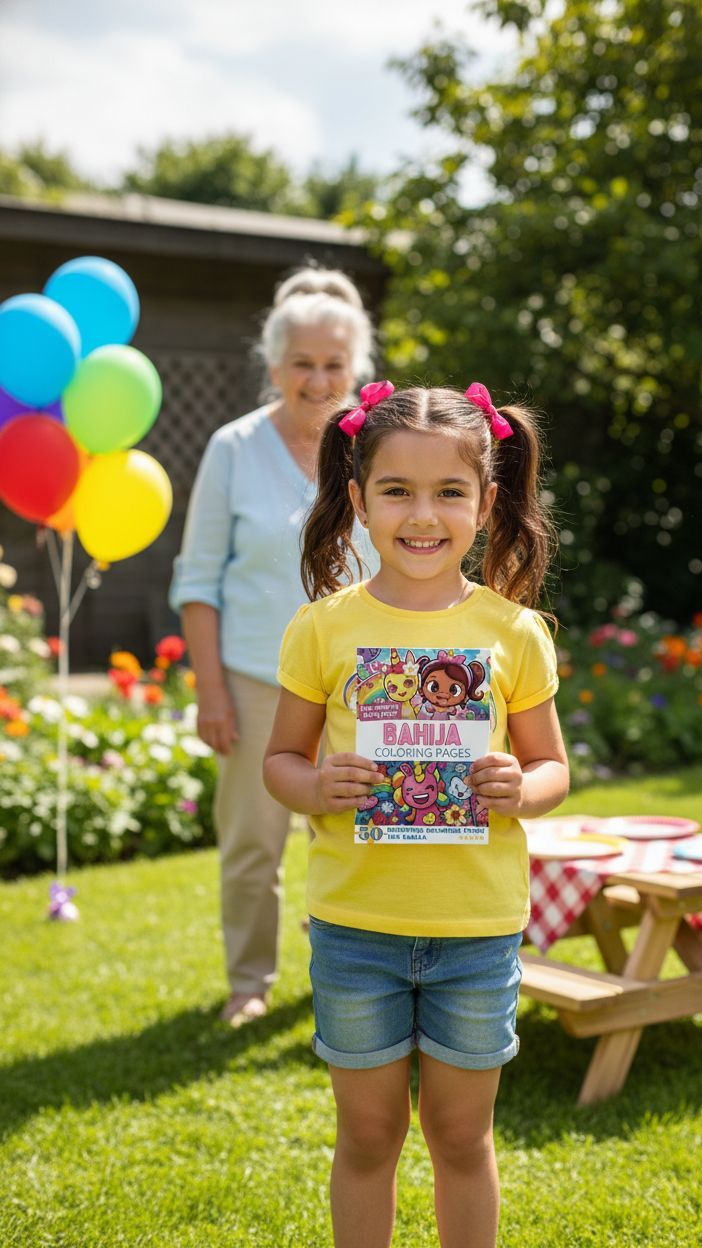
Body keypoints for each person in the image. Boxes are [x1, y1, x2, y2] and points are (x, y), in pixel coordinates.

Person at [263, 382, 570, 1248]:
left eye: (449, 492)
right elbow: (280, 762)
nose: (422, 515)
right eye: (397, 490)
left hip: (476, 933)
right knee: (368, 1136)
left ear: (487, 502)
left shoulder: (513, 633)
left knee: (461, 1137)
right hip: (357, 930)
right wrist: (316, 785)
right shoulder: (321, 629)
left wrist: (521, 784)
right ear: (358, 500)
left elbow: (552, 770)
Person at [169, 267, 376, 1026]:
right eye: (303, 364)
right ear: (274, 367)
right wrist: (212, 691)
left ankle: (352, 970)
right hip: (258, 680)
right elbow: (197, 578)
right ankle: (249, 982)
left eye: (334, 365)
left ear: (356, 369)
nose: (319, 380)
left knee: (360, 834)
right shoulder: (234, 448)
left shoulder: (377, 445)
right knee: (254, 845)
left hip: (364, 683)